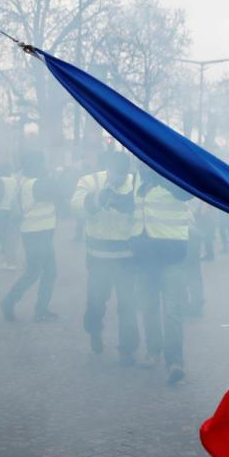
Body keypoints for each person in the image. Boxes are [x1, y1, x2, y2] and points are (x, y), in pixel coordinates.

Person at [71, 151, 138, 365]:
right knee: (96, 302)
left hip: (127, 258)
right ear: (108, 168)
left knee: (128, 305)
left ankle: (127, 349)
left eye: (123, 174)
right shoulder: (90, 181)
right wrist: (99, 198)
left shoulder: (135, 183)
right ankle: (94, 331)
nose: (120, 178)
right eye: (116, 173)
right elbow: (76, 208)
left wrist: (129, 205)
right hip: (98, 257)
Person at [132, 165, 193, 385]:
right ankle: (153, 351)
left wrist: (162, 176)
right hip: (145, 256)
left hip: (171, 256)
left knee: (172, 310)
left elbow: (186, 193)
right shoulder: (137, 182)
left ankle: (175, 361)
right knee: (148, 307)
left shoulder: (174, 177)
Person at [2, 152, 60, 322]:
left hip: (39, 232)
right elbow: (60, 192)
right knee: (34, 272)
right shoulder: (38, 183)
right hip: (37, 234)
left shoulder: (27, 182)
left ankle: (41, 309)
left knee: (49, 272)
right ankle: (8, 302)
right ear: (37, 165)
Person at [0, 164, 21, 270]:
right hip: (11, 210)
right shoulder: (14, 180)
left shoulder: (0, 180)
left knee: (2, 235)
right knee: (9, 236)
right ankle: (10, 258)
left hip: (1, 210)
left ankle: (9, 261)